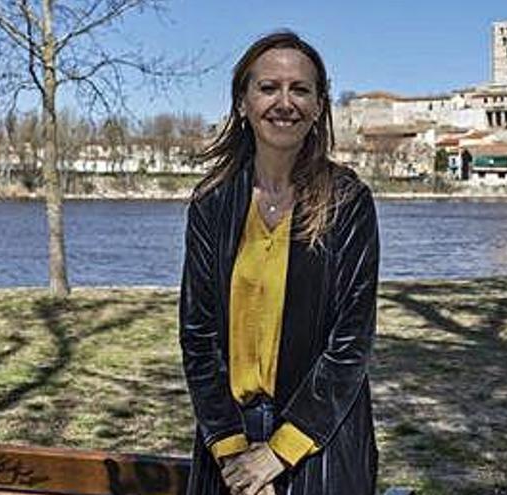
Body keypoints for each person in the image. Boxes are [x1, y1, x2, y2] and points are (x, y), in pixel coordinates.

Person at [179, 31, 379, 495]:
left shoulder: (347, 202)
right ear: (243, 102)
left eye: (300, 89)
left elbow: (351, 342)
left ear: (318, 106)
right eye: (269, 88)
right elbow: (198, 336)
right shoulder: (213, 202)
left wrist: (277, 454)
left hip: (319, 439)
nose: (284, 102)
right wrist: (234, 456)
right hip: (226, 438)